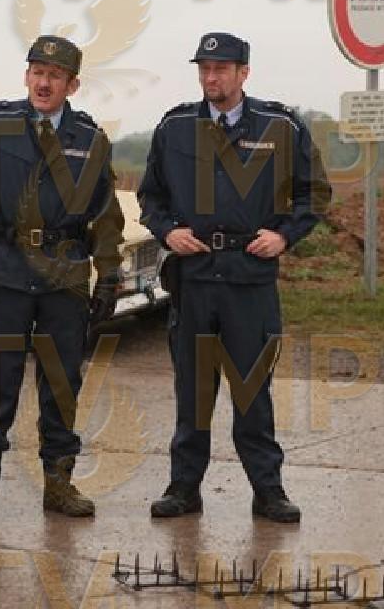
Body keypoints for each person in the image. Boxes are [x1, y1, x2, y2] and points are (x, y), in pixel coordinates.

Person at [137, 31, 331, 523]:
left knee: (252, 393)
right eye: (204, 69)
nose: (211, 77)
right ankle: (184, 488)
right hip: (195, 280)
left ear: (244, 73)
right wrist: (168, 231)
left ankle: (268, 491)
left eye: (221, 69)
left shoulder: (280, 127)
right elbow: (151, 196)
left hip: (250, 281)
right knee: (193, 392)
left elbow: (314, 192)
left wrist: (284, 236)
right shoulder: (175, 128)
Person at [0, 35, 125, 524]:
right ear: (26, 76)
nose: (44, 83)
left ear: (72, 85)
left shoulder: (90, 141)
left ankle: (59, 485)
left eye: (55, 76)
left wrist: (109, 276)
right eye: (38, 73)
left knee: (62, 386)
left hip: (65, 280)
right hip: (5, 274)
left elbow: (106, 216)